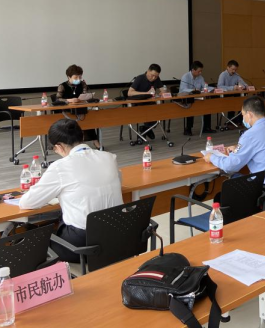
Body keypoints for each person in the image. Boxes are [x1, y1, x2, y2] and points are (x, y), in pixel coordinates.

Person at [19, 119, 123, 262]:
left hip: (83, 245)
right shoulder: (109, 157)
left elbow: (27, 202)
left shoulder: (60, 167)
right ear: (82, 136)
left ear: (59, 146)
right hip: (117, 237)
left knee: (34, 240)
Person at [203, 96, 265, 203]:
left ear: (249, 114)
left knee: (220, 197)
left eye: (243, 114)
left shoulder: (250, 135)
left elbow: (230, 166)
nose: (243, 118)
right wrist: (237, 149)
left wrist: (212, 157)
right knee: (236, 178)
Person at [56, 64, 98, 146]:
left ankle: (95, 140)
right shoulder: (62, 86)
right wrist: (69, 100)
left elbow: (85, 95)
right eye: (75, 78)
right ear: (69, 77)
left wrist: (86, 95)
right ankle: (74, 143)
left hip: (80, 109)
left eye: (80, 77)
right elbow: (57, 99)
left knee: (89, 119)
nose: (78, 79)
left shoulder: (82, 84)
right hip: (67, 111)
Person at [128, 64, 166, 140]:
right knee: (150, 112)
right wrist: (146, 93)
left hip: (150, 104)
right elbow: (129, 93)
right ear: (148, 71)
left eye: (156, 76)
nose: (154, 78)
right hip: (138, 104)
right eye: (152, 75)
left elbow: (163, 90)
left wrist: (162, 93)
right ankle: (146, 130)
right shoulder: (140, 78)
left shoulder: (157, 79)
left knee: (160, 113)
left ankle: (144, 129)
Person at [180, 61, 215, 135]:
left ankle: (206, 127)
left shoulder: (200, 77)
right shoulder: (185, 77)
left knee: (207, 104)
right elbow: (183, 90)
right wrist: (193, 90)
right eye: (199, 71)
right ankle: (188, 129)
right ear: (193, 70)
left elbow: (204, 87)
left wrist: (212, 89)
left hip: (198, 97)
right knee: (190, 105)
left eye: (201, 71)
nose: (200, 73)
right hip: (187, 98)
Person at [218, 60, 247, 127]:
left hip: (234, 96)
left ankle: (239, 121)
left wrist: (243, 86)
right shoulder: (223, 75)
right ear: (228, 67)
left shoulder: (236, 75)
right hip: (225, 96)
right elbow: (219, 87)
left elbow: (245, 84)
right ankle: (230, 122)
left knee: (243, 102)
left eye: (235, 70)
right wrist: (232, 88)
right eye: (232, 69)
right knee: (233, 102)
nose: (234, 71)